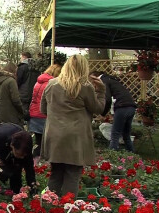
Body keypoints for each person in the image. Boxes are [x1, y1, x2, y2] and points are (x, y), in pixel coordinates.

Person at [40, 55, 105, 196]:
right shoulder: (85, 87)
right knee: (72, 174)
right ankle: (68, 209)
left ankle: (50, 208)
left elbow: (43, 110)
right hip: (76, 136)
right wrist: (101, 91)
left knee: (56, 173)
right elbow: (98, 108)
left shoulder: (51, 84)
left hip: (55, 135)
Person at [0, 123, 35, 194]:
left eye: (24, 155)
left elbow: (29, 169)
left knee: (16, 172)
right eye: (20, 154)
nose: (22, 157)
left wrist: (32, 188)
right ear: (12, 146)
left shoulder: (26, 146)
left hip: (9, 150)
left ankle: (15, 194)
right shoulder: (0, 135)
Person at [91, 71, 137, 152]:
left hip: (122, 107)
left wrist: (103, 113)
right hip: (131, 107)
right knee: (126, 134)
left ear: (96, 76)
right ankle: (132, 154)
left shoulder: (103, 81)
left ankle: (111, 155)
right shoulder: (111, 80)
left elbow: (107, 99)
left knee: (115, 134)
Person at [29, 64, 62, 163]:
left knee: (38, 141)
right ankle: (46, 162)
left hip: (34, 113)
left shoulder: (38, 82)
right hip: (44, 114)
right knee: (49, 141)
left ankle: (35, 161)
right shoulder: (52, 84)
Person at [17, 52, 40, 118]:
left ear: (24, 57)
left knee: (24, 111)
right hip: (34, 91)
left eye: (21, 57)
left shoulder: (22, 67)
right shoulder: (36, 67)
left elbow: (18, 80)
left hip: (23, 92)